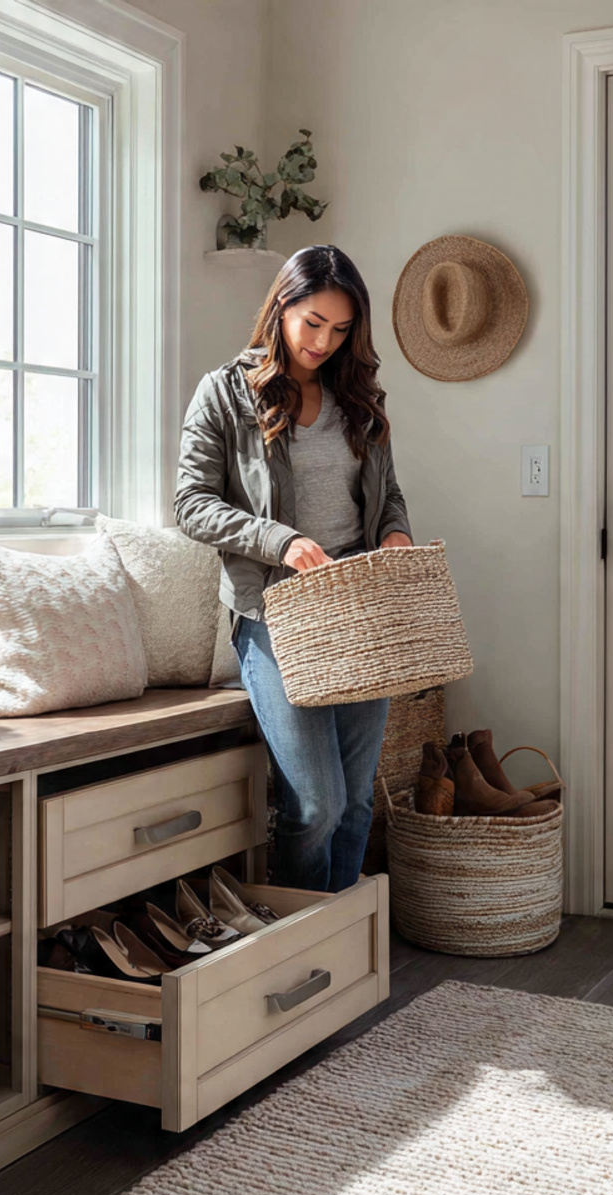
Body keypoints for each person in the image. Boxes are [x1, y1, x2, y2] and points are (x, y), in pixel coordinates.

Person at [175, 244, 412, 892]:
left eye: (339, 331)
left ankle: (337, 958)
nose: (324, 342)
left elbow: (387, 494)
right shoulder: (225, 393)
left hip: (361, 612)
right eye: (313, 324)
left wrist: (394, 533)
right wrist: (280, 541)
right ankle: (298, 949)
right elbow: (190, 505)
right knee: (317, 805)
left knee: (359, 801)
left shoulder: (359, 396)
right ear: (281, 307)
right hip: (277, 618)